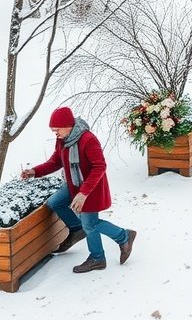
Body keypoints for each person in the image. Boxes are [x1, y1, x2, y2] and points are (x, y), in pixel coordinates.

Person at [21, 106, 136, 274]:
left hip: (90, 189)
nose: (55, 133)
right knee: (55, 203)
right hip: (73, 186)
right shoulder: (63, 140)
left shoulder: (88, 140)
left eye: (57, 129)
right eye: (53, 130)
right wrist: (34, 171)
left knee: (90, 223)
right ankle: (76, 229)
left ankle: (114, 244)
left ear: (68, 125)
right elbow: (55, 161)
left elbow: (100, 166)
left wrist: (83, 193)